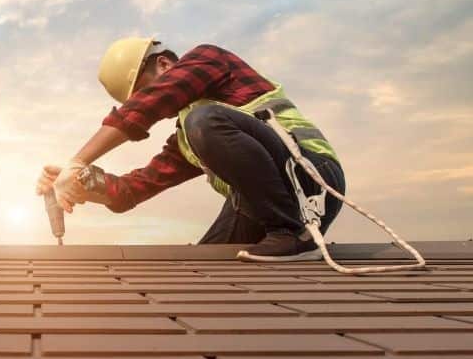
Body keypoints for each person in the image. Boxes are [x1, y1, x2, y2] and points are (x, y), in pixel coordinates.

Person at [35, 37, 346, 262]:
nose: (156, 102)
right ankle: (285, 236)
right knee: (203, 266)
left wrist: (77, 161)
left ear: (165, 63)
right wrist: (83, 182)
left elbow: (151, 105)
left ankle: (293, 234)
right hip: (261, 207)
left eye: (147, 90)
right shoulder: (190, 138)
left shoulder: (210, 61)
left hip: (311, 178)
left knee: (204, 120)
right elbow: (132, 190)